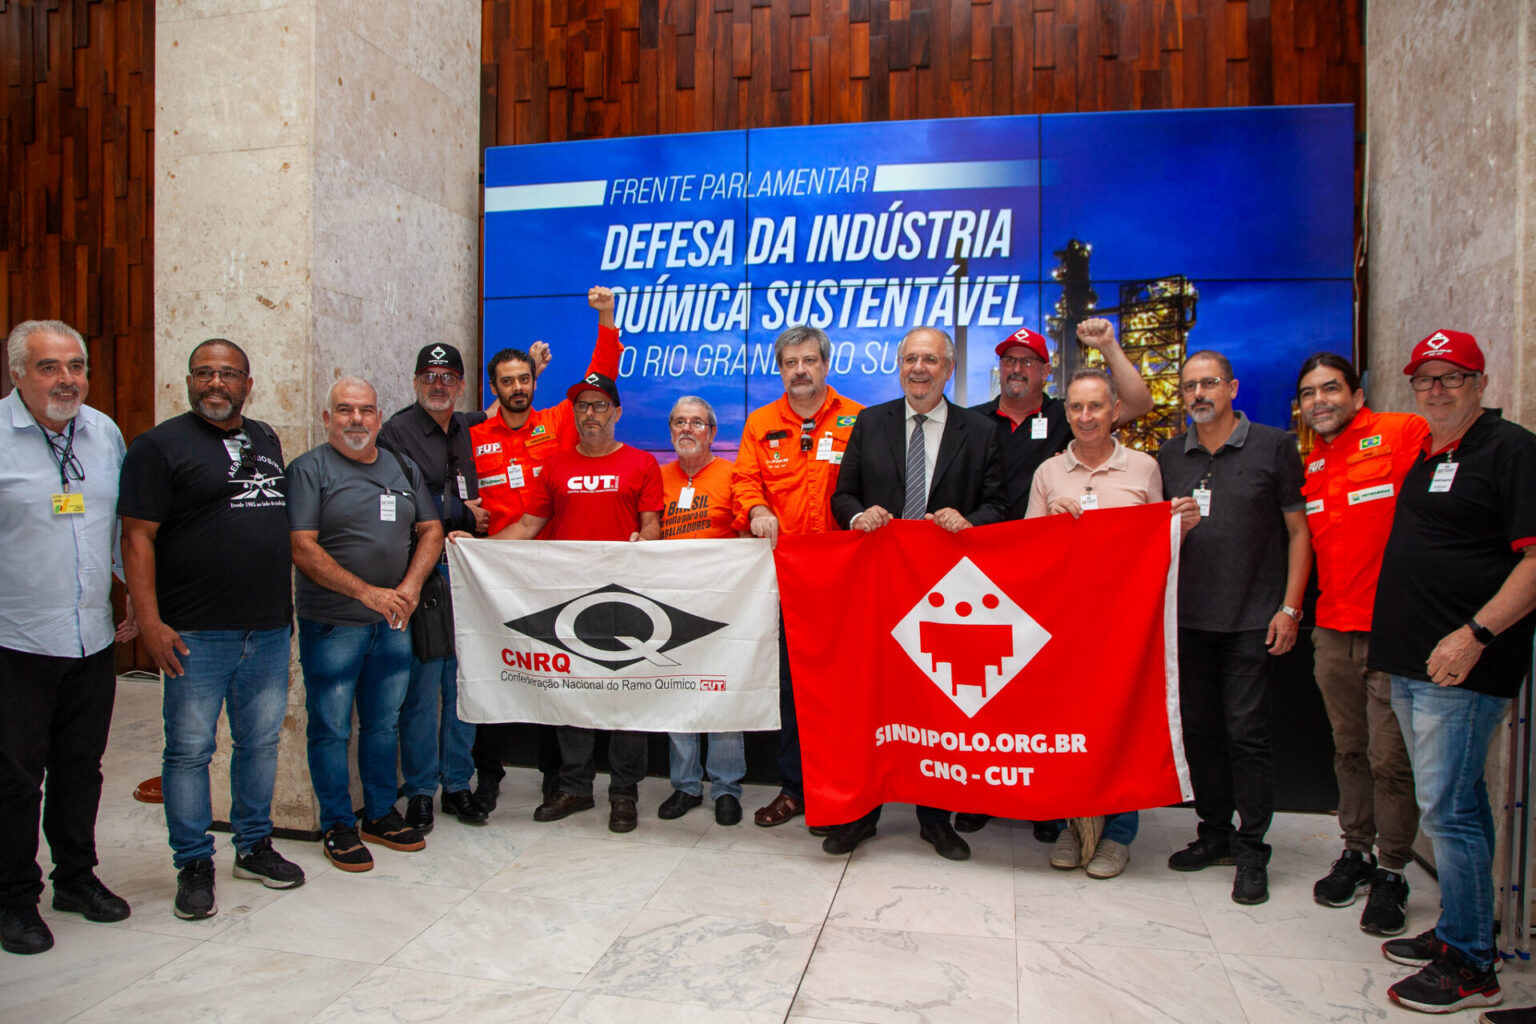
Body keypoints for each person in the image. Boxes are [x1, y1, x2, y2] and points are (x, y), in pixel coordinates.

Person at [1369, 330, 1536, 1014]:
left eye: (1452, 377)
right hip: (1413, 662)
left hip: (1461, 666)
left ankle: (1471, 965)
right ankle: (1463, 933)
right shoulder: (1431, 454)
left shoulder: (1512, 451)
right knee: (1457, 805)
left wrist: (1474, 635)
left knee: (1449, 811)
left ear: (1480, 381)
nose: (1437, 390)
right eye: (1426, 380)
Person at [119, 338, 305, 922]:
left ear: (249, 384)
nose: (216, 384)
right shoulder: (157, 447)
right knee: (190, 752)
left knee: (259, 745)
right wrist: (148, 620)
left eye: (229, 374)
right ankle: (194, 862)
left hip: (269, 630)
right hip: (196, 634)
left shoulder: (267, 438)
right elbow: (137, 537)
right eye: (205, 373)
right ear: (190, 380)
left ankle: (252, 846)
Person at [957, 318, 1152, 839]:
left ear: (1046, 372)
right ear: (998, 368)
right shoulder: (972, 422)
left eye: (1028, 361)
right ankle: (983, 794)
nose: (1017, 369)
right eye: (1009, 360)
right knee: (988, 694)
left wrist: (1108, 345)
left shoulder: (1068, 417)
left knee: (1042, 697)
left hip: (1054, 581)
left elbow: (1138, 403)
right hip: (985, 576)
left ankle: (1043, 803)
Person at [826, 326, 1008, 860]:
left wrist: (968, 520)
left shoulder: (979, 430)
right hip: (878, 589)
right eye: (910, 359)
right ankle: (862, 814)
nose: (919, 369)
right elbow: (843, 496)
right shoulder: (869, 421)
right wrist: (859, 517)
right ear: (899, 366)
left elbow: (1000, 507)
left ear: (949, 369)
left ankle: (936, 818)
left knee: (936, 706)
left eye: (930, 359)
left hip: (946, 597)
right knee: (872, 701)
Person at [1026, 368, 1201, 879]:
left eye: (1096, 407)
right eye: (1076, 408)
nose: (1085, 417)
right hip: (1063, 624)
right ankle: (1070, 824)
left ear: (1114, 411)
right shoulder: (1047, 474)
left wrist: (1179, 528)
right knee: (1065, 723)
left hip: (1126, 625)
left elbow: (1158, 550)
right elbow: (1025, 555)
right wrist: (1051, 526)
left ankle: (1118, 835)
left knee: (1121, 724)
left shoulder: (1144, 468)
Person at [1, 320, 135, 955]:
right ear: (18, 374)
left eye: (76, 366)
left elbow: (115, 527)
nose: (67, 380)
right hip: (16, 641)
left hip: (91, 636)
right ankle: (13, 899)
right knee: (15, 778)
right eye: (51, 367)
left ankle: (75, 879)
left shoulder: (102, 432)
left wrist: (133, 588)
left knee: (81, 768)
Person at [1156, 350, 1310, 906]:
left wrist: (1289, 608)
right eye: (1190, 385)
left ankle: (1251, 851)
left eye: (1210, 383)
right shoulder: (1171, 455)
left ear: (1233, 388)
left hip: (1252, 619)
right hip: (1187, 621)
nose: (1200, 394)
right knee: (1199, 732)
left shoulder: (1273, 446)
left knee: (1247, 734)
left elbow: (1299, 532)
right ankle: (1213, 834)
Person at [468, 286, 622, 810]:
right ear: (495, 387)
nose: (517, 388)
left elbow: (602, 374)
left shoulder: (557, 422)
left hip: (551, 567)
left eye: (524, 379)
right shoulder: (474, 435)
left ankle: (558, 780)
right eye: (507, 381)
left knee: (552, 673)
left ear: (536, 382)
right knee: (494, 670)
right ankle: (487, 776)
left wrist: (606, 316)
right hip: (495, 571)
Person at [489, 372, 663, 833]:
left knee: (627, 699)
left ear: (617, 413)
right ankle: (575, 787)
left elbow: (652, 526)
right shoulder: (554, 467)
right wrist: (475, 553)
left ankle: (624, 794)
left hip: (627, 600)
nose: (590, 414)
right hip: (569, 600)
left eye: (599, 405)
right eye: (582, 406)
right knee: (573, 697)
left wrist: (642, 540)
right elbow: (527, 527)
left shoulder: (642, 464)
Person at [287, 377, 444, 872]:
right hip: (335, 624)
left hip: (394, 623)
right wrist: (367, 593)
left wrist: (412, 588)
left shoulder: (401, 466)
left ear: (379, 417)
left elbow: (432, 529)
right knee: (332, 728)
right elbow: (302, 546)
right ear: (327, 417)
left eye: (366, 410)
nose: (357, 419)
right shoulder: (309, 470)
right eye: (345, 410)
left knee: (382, 725)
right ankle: (337, 823)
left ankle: (378, 813)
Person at [1295, 352, 1427, 936]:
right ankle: (1357, 852)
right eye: (1308, 393)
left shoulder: (1402, 434)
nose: (1319, 400)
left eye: (1330, 389)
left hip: (1393, 632)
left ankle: (1393, 871)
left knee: (1389, 759)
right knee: (1348, 750)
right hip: (1332, 630)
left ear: (1356, 392)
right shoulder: (1315, 462)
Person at [732, 325, 863, 829]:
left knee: (845, 689)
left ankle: (850, 789)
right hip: (783, 578)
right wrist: (758, 507)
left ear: (825, 365)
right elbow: (744, 480)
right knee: (792, 687)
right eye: (791, 362)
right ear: (781, 368)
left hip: (845, 576)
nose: (801, 370)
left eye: (809, 360)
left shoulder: (858, 418)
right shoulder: (761, 422)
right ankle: (795, 788)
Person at [379, 342, 490, 832]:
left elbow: (526, 416)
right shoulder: (396, 432)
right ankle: (422, 789)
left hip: (468, 573)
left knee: (462, 684)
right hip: (423, 574)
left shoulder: (469, 427)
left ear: (461, 385)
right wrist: (463, 514)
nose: (439, 384)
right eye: (429, 374)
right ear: (415, 380)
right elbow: (408, 503)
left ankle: (458, 785)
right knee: (425, 687)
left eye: (448, 376)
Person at [656, 396, 746, 826]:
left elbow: (749, 537)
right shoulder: (657, 479)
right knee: (678, 696)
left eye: (697, 423)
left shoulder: (733, 476)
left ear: (713, 431)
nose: (687, 429)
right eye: (679, 422)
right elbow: (646, 531)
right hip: (670, 607)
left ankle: (727, 787)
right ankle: (685, 784)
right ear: (670, 429)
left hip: (723, 607)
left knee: (722, 695)